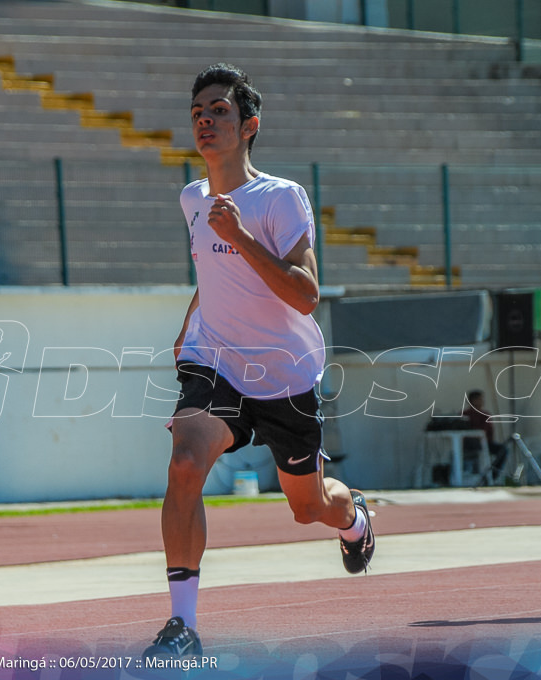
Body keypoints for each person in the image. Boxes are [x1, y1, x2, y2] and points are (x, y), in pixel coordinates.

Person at [142, 63, 375, 660]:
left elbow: (305, 293)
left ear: (249, 126)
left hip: (284, 377)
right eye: (197, 111)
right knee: (186, 461)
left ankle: (353, 521)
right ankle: (181, 625)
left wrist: (243, 235)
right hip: (213, 361)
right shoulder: (193, 197)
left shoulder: (280, 197)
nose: (204, 119)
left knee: (307, 507)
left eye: (218, 109)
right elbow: (211, 272)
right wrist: (188, 323)